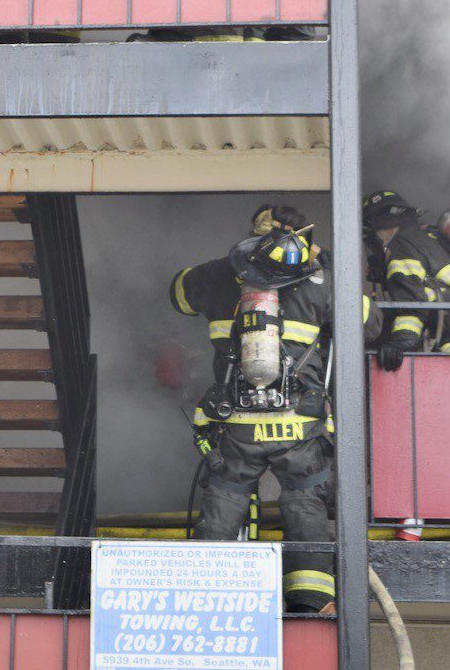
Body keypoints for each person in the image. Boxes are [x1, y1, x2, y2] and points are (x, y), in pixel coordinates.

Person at [171, 222, 382, 614]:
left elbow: (177, 294)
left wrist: (217, 269)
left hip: (236, 425)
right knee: (305, 505)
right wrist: (336, 271)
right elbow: (371, 325)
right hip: (300, 426)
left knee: (224, 501)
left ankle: (206, 595)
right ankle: (311, 600)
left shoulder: (218, 276)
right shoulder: (322, 284)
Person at [363, 190, 450, 368]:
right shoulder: (428, 238)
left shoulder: (401, 246)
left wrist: (402, 342)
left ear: (382, 225)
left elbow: (411, 302)